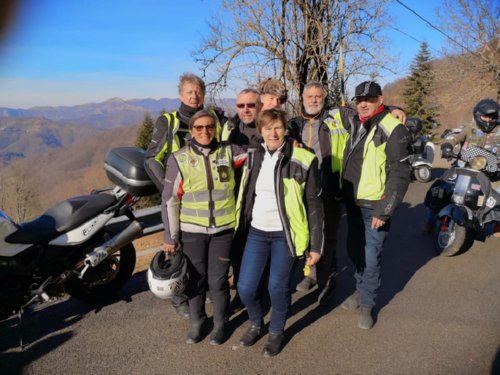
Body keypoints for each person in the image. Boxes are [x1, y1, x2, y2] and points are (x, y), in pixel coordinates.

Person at [289, 81, 407, 305]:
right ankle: (311, 273)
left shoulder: (339, 117)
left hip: (332, 188)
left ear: (324, 98)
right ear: (302, 99)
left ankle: (331, 280)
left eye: (318, 96)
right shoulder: (294, 124)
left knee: (330, 236)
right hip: (304, 188)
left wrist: (394, 109)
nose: (313, 100)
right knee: (306, 232)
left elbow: (370, 111)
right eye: (309, 96)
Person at [235, 108, 324, 357]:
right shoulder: (253, 155)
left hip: (286, 235)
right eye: (267, 128)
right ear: (260, 131)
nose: (273, 133)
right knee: (246, 288)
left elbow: (315, 205)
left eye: (277, 127)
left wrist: (316, 246)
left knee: (277, 287)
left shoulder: (303, 158)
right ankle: (256, 323)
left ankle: (276, 331)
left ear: (285, 128)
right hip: (257, 232)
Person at [161, 110, 246, 345]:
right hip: (192, 232)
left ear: (215, 128)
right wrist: (171, 236)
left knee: (218, 281)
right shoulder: (179, 158)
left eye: (209, 126)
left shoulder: (229, 151)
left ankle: (221, 323)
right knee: (195, 281)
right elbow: (170, 200)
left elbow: (257, 156)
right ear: (191, 131)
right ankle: (198, 322)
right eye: (199, 127)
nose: (205, 131)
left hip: (223, 229)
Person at [144, 73, 224, 320]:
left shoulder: (213, 119)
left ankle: (204, 289)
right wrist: (169, 189)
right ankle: (179, 298)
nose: (194, 95)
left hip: (205, 198)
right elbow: (151, 159)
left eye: (198, 91)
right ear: (181, 95)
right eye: (189, 91)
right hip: (177, 198)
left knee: (204, 247)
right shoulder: (167, 122)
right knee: (175, 247)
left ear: (203, 94)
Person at [338, 81, 411, 329]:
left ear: (380, 100)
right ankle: (360, 290)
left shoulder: (393, 128)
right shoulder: (355, 122)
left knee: (371, 257)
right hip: (353, 202)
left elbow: (400, 173)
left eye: (368, 99)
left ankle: (367, 304)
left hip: (375, 207)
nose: (363, 104)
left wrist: (385, 209)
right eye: (359, 100)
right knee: (355, 251)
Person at [424, 98, 500, 236]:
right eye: (485, 116)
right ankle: (430, 221)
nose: (488, 120)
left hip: (490, 173)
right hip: (462, 168)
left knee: (497, 197)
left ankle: (497, 225)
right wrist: (447, 146)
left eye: (492, 117)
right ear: (478, 115)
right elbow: (453, 138)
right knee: (439, 190)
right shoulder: (469, 128)